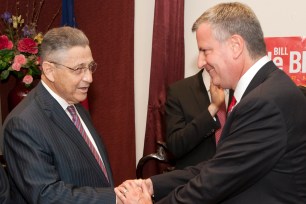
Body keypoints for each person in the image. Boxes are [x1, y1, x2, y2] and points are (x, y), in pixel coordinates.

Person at [115, 2, 306, 203]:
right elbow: (219, 165)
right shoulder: (268, 89)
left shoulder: (263, 103)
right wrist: (153, 184)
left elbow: (213, 183)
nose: (200, 62)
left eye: (205, 51)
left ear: (235, 46)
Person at [2, 26, 117, 203]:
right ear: (49, 70)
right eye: (79, 69)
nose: (89, 78)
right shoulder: (22, 124)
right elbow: (47, 195)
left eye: (90, 67)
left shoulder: (74, 103)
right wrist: (115, 198)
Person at [165, 68, 231, 169]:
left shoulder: (242, 87)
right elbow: (175, 146)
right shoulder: (179, 91)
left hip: (237, 178)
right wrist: (212, 109)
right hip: (195, 179)